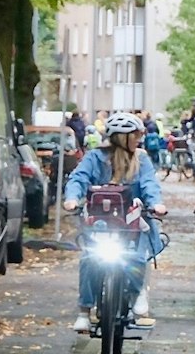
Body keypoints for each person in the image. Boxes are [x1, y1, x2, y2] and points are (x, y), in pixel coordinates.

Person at [62, 112, 167, 332]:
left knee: (138, 256)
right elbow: (79, 177)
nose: (139, 139)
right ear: (122, 137)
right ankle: (84, 311)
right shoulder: (94, 157)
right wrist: (72, 198)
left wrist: (156, 204)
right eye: (135, 135)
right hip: (100, 223)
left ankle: (138, 291)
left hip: (132, 222)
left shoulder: (141, 158)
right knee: (89, 259)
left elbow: (149, 184)